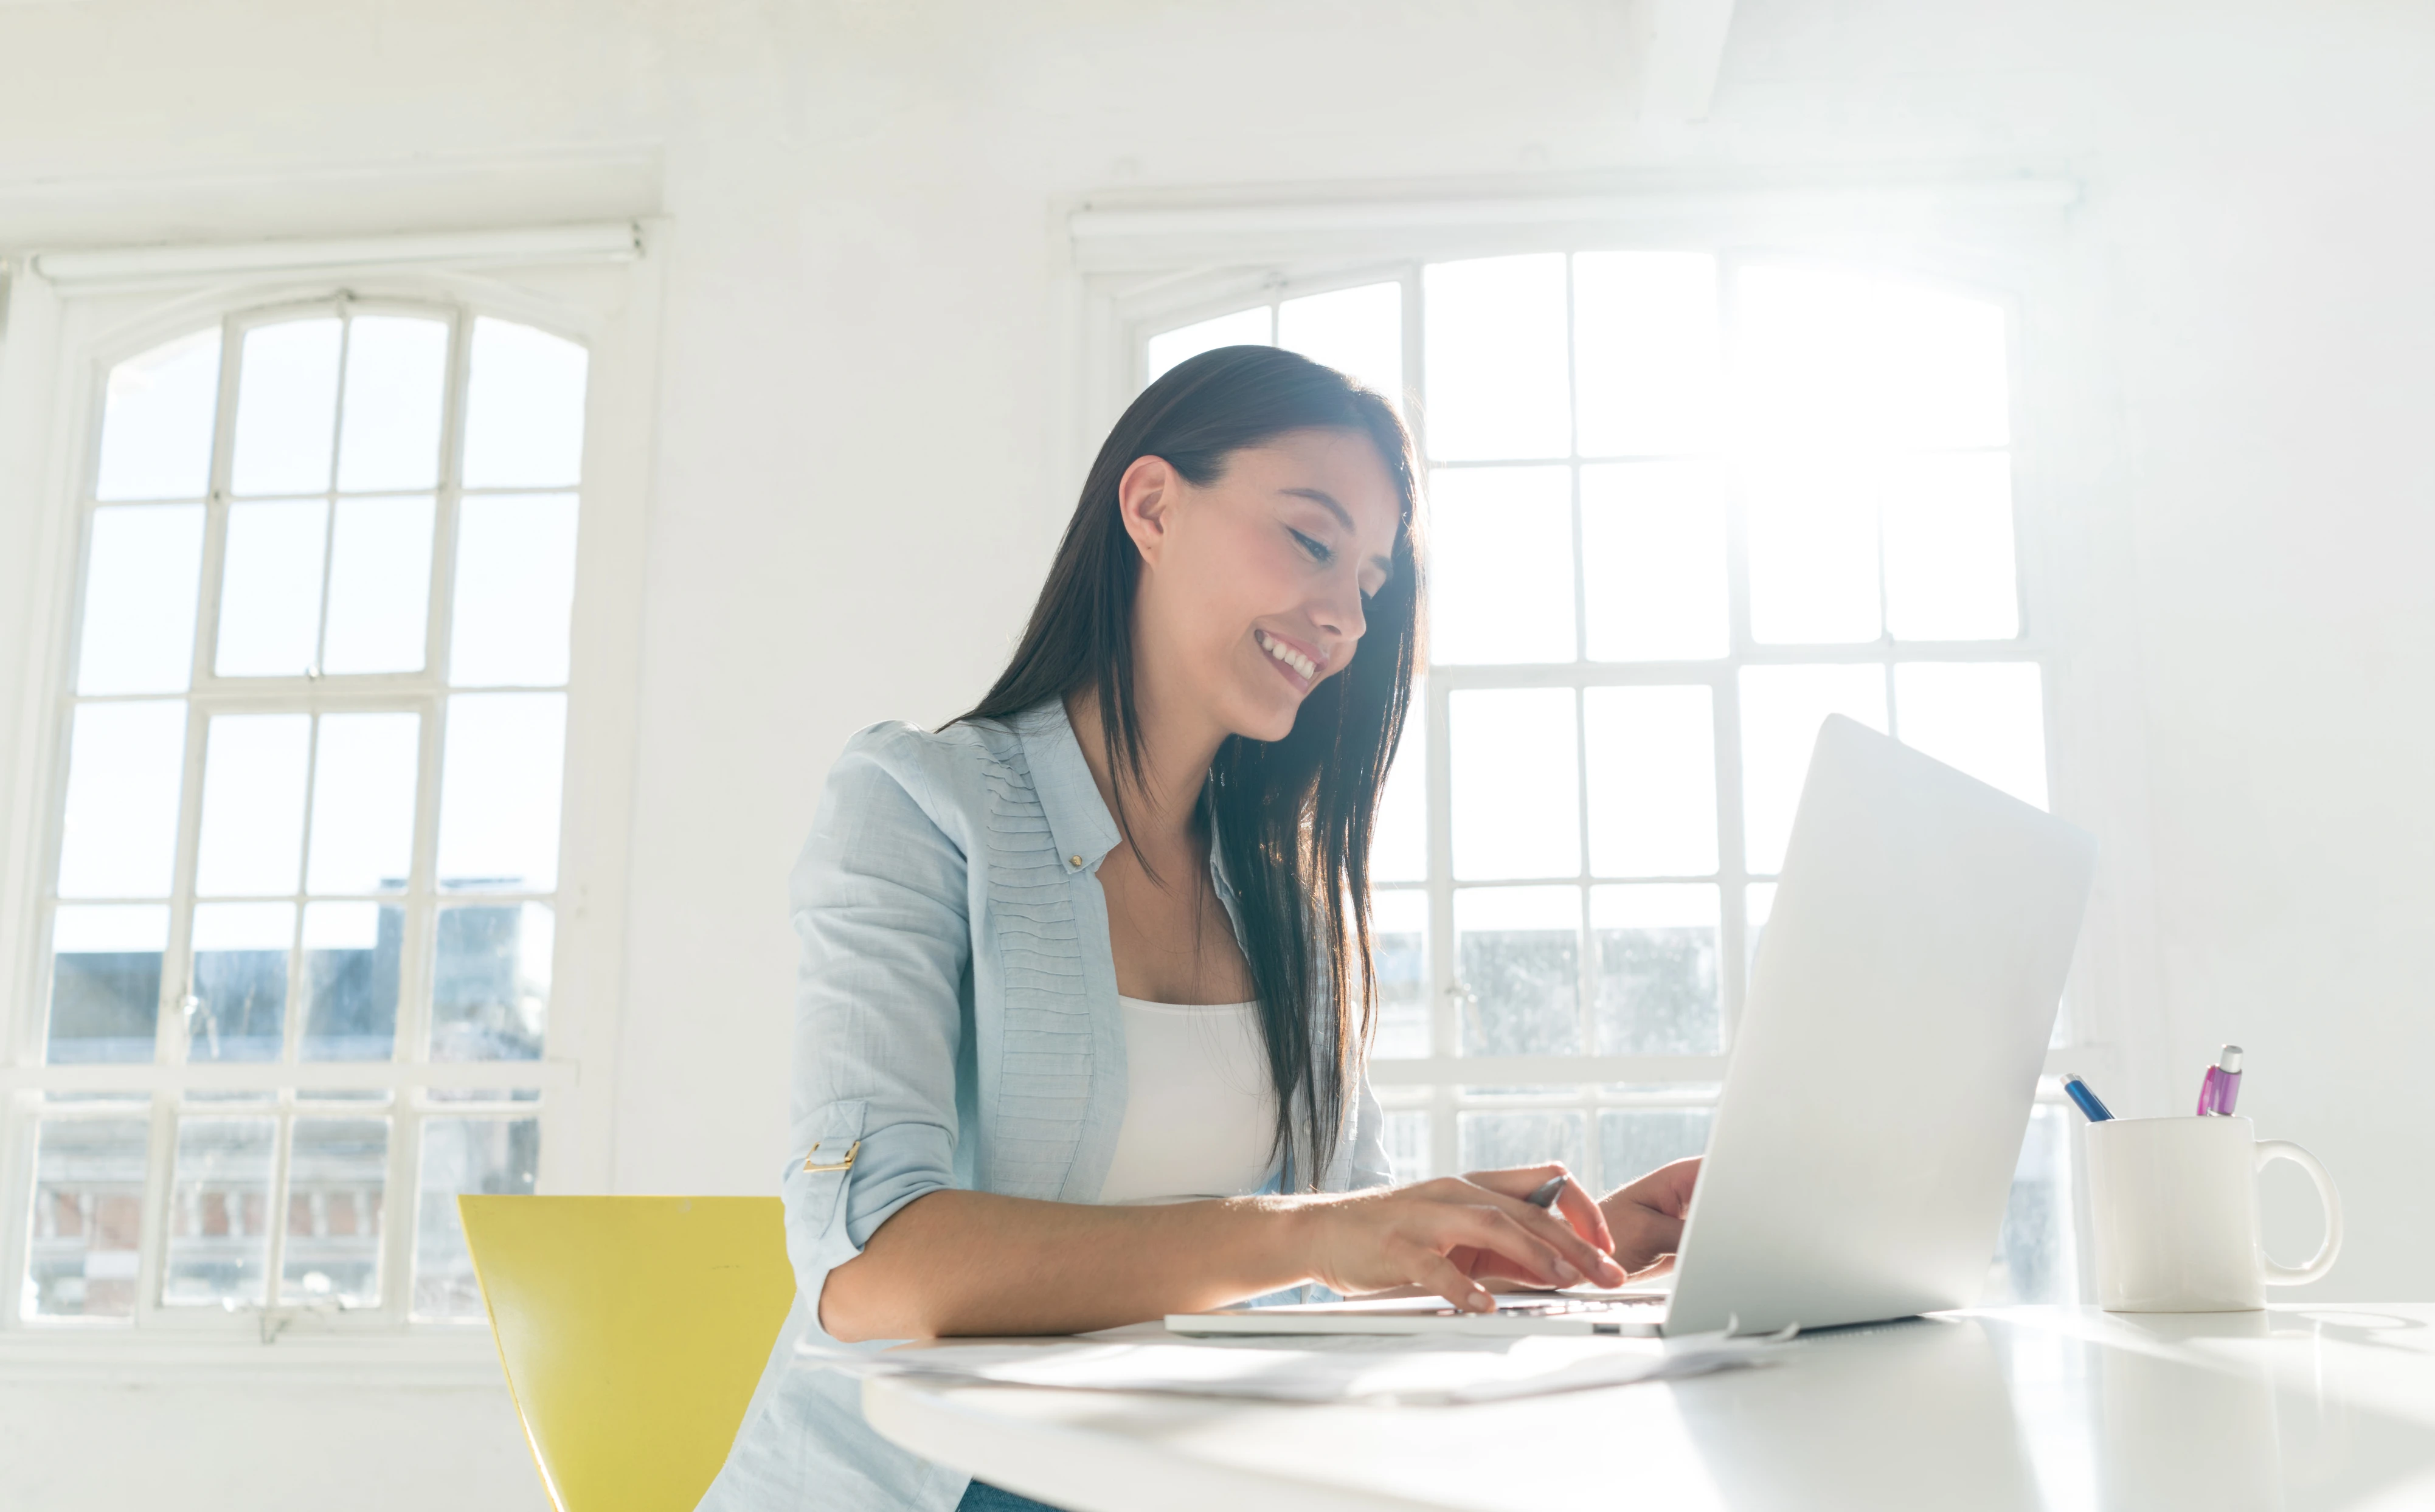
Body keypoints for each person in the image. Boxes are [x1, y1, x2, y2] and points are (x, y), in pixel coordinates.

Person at [698, 346, 1700, 1512]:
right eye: (1313, 541)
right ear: (1153, 507)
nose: (1343, 617)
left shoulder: (1287, 902)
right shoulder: (921, 804)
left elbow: (1341, 1272)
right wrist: (1312, 1236)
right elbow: (872, 1269)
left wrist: (1565, 1257)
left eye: (1371, 582)